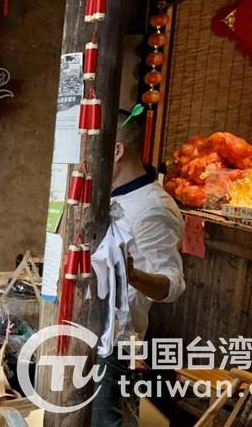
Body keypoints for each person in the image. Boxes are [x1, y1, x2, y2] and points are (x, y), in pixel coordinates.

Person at [91, 110, 186, 427]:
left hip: (114, 342)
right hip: (87, 330)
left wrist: (132, 275)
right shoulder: (110, 195)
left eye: (92, 151)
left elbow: (172, 286)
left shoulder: (153, 207)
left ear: (116, 151)